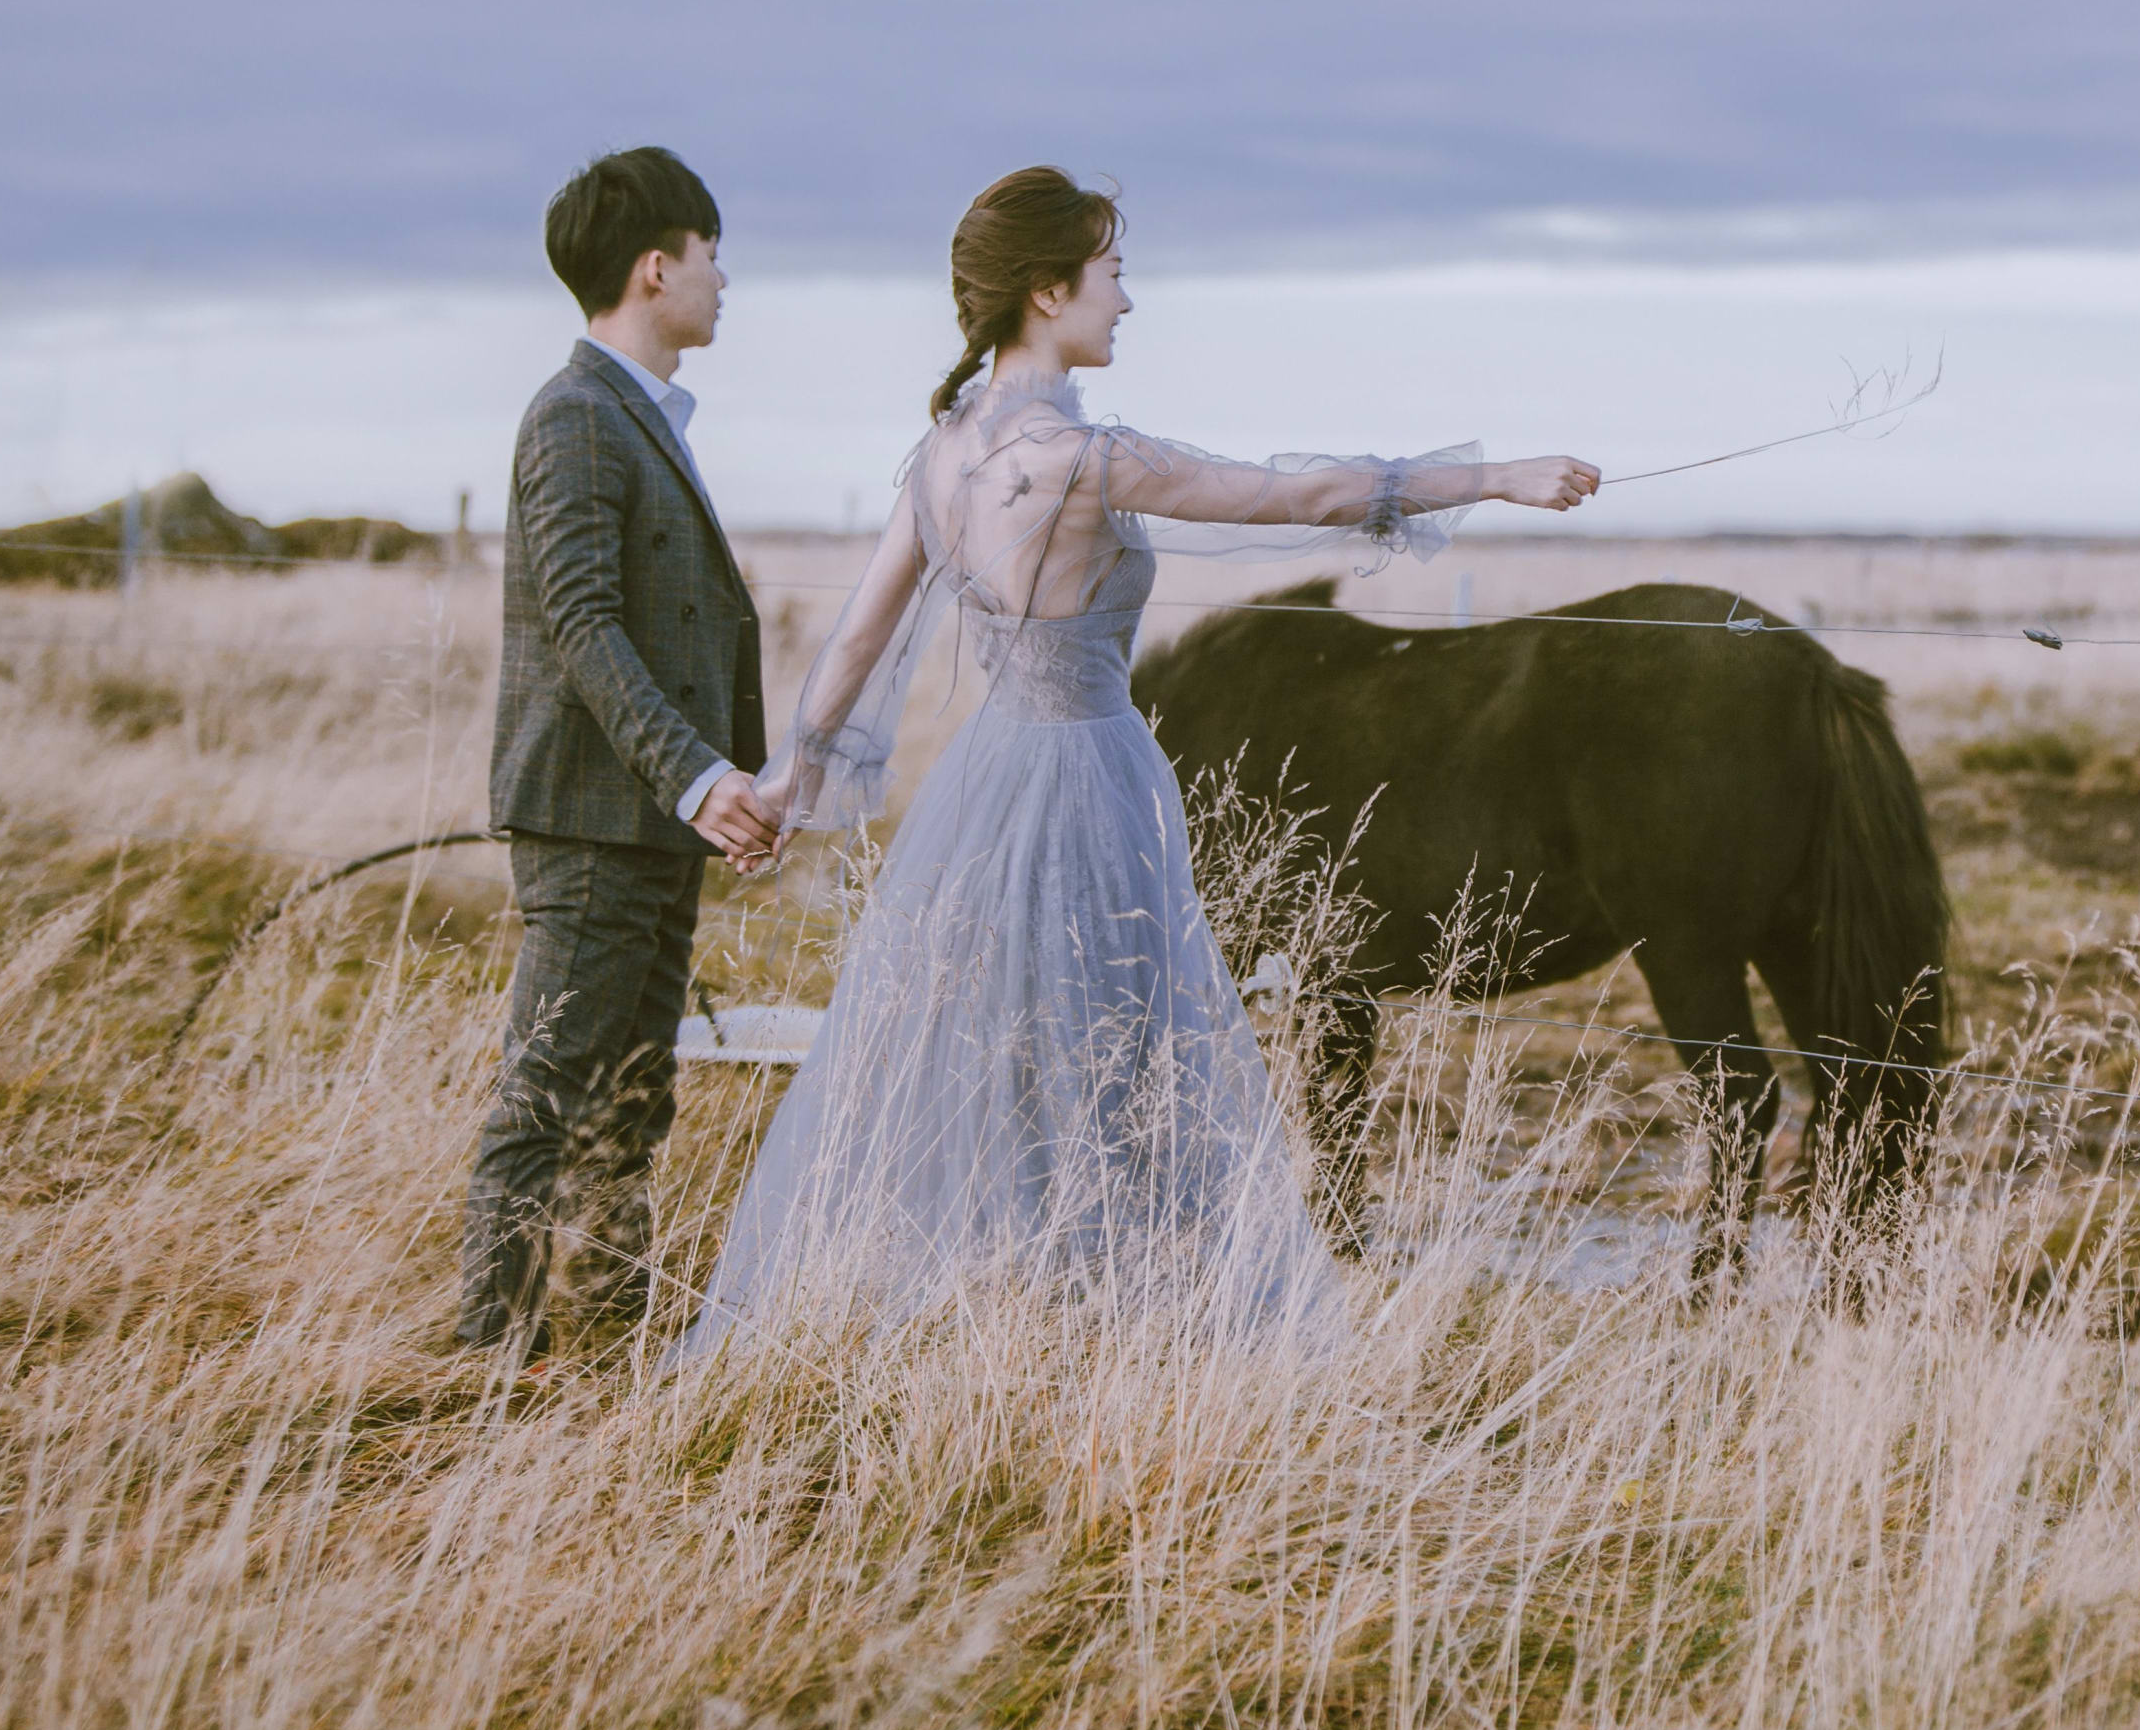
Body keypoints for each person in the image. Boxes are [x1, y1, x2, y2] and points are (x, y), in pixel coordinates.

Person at [672, 166, 1599, 1356]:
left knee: (978, 1045)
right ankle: (1105, 1315)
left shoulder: (944, 451)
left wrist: (794, 776)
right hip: (1088, 777)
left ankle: (993, 1311)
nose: (1126, 301)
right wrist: (1493, 476)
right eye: (1112, 275)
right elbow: (1285, 492)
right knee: (1116, 1043)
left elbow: (860, 632)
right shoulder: (1076, 456)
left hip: (983, 782)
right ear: (1048, 291)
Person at [460, 147, 780, 1357]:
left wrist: (718, 786)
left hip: (646, 822)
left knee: (631, 1106)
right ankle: (488, 1362)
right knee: (545, 1100)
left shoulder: (635, 416)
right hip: (597, 819)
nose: (723, 279)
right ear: (658, 266)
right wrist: (702, 777)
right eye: (710, 256)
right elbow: (582, 626)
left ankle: (600, 1347)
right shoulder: (577, 417)